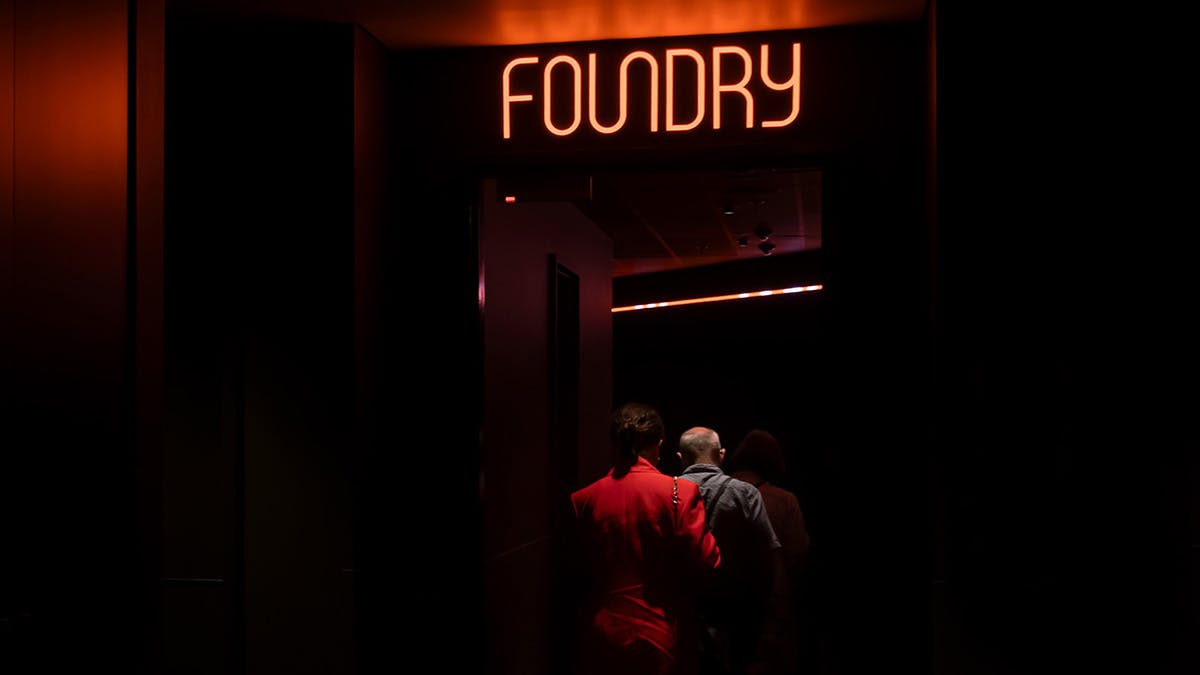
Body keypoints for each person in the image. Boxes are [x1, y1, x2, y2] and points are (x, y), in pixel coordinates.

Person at [569, 403, 722, 675]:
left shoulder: (582, 500)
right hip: (664, 633)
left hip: (601, 635)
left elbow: (577, 573)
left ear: (614, 444)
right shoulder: (680, 492)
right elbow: (707, 560)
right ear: (658, 445)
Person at [677, 426, 785, 675]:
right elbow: (768, 553)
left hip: (681, 613)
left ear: (680, 457)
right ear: (721, 454)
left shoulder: (667, 492)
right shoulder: (745, 493)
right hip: (734, 614)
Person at [727, 429, 813, 675]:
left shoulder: (714, 494)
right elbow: (798, 553)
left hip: (723, 608)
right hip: (771, 609)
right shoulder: (784, 501)